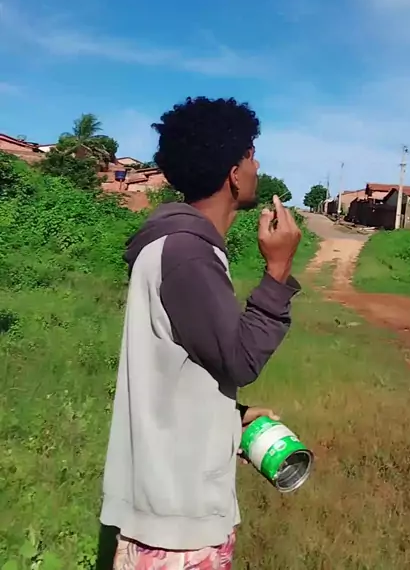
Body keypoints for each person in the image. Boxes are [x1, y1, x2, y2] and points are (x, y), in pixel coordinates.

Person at [101, 96, 302, 570]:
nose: (256, 166)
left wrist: (232, 417)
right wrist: (278, 271)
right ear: (234, 173)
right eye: (251, 155)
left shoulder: (180, 248)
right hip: (176, 525)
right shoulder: (188, 254)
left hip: (170, 512)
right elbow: (241, 359)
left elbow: (181, 370)